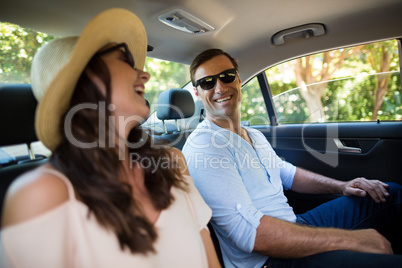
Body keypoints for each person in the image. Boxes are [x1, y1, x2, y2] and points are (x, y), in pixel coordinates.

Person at [0, 9, 221, 268]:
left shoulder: (172, 162)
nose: (145, 75)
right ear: (85, 78)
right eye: (125, 60)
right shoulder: (42, 196)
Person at [182, 48, 402, 268]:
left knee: (390, 194)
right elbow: (250, 234)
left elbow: (286, 173)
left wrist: (343, 186)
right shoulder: (204, 146)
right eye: (207, 82)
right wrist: (352, 240)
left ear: (238, 80)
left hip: (295, 225)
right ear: (197, 93)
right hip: (269, 259)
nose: (219, 87)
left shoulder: (254, 135)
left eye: (227, 76)